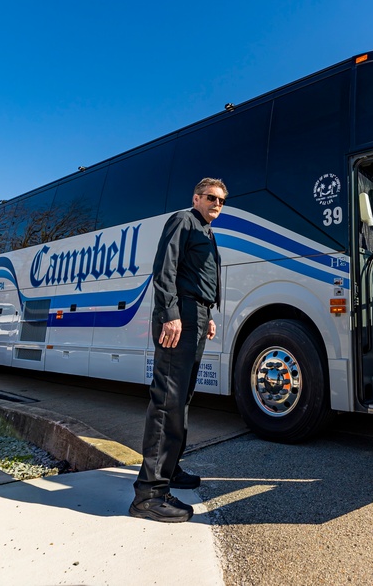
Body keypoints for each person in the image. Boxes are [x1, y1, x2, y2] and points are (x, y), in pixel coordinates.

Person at [129, 177, 226, 523]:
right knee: (167, 398)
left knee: (181, 398)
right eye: (211, 198)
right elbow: (166, 269)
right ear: (196, 197)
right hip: (180, 315)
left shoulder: (207, 232)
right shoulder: (183, 221)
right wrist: (170, 314)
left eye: (221, 200)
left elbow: (198, 277)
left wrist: (208, 315)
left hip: (197, 315)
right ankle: (149, 494)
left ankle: (169, 468)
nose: (217, 204)